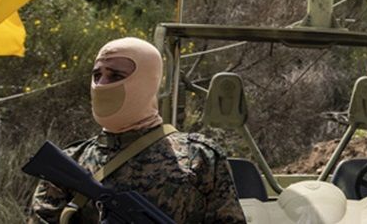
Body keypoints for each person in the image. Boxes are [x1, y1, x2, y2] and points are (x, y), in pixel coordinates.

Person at [30, 37, 245, 223]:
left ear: (147, 82)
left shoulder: (199, 157)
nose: (101, 84)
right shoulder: (71, 161)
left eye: (115, 76)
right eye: (97, 75)